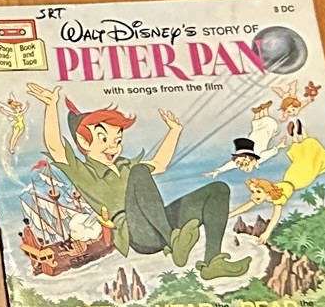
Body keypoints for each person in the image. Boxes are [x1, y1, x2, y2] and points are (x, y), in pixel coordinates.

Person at [28, 82, 250, 281]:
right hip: (138, 235)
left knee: (218, 190)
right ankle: (173, 241)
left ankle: (212, 262)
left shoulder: (127, 166)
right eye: (104, 139)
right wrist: (50, 106)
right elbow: (56, 148)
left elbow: (159, 164)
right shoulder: (83, 172)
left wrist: (174, 131)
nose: (113, 147)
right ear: (84, 143)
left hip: (159, 221)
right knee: (140, 171)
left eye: (118, 140)